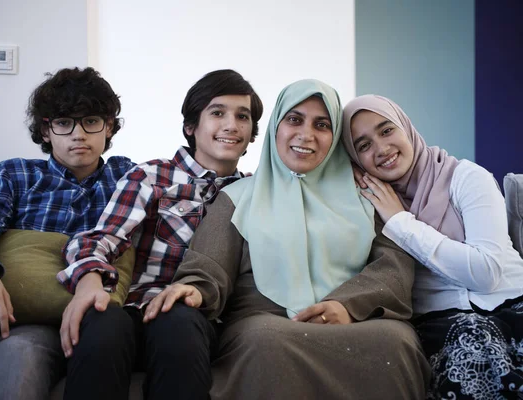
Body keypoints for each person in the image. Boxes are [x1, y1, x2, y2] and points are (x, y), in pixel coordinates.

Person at [145, 79, 430, 399]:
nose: (306, 134)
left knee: (396, 341)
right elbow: (210, 262)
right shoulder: (238, 197)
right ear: (275, 128)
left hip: (354, 321)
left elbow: (393, 264)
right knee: (265, 339)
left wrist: (346, 306)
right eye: (294, 120)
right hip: (266, 322)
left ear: (335, 136)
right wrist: (195, 288)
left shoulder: (366, 195)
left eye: (322, 125)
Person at [0, 67, 135, 400]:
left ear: (108, 127)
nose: (78, 134)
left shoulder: (125, 177)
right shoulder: (15, 173)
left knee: (19, 351)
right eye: (64, 123)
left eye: (91, 121)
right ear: (46, 130)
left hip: (43, 322)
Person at [59, 69, 263, 400]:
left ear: (252, 131)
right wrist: (88, 284)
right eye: (218, 113)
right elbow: (102, 239)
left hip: (195, 319)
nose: (232, 125)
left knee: (179, 322)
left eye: (243, 116)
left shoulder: (256, 192)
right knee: (102, 324)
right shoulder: (153, 175)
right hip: (133, 306)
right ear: (191, 126)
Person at [341, 94, 523, 399]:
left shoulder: (466, 178)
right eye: (363, 145)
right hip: (442, 323)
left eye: (386, 131)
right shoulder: (366, 206)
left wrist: (401, 221)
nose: (382, 149)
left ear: (405, 127)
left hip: (514, 301)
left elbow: (486, 272)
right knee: (472, 348)